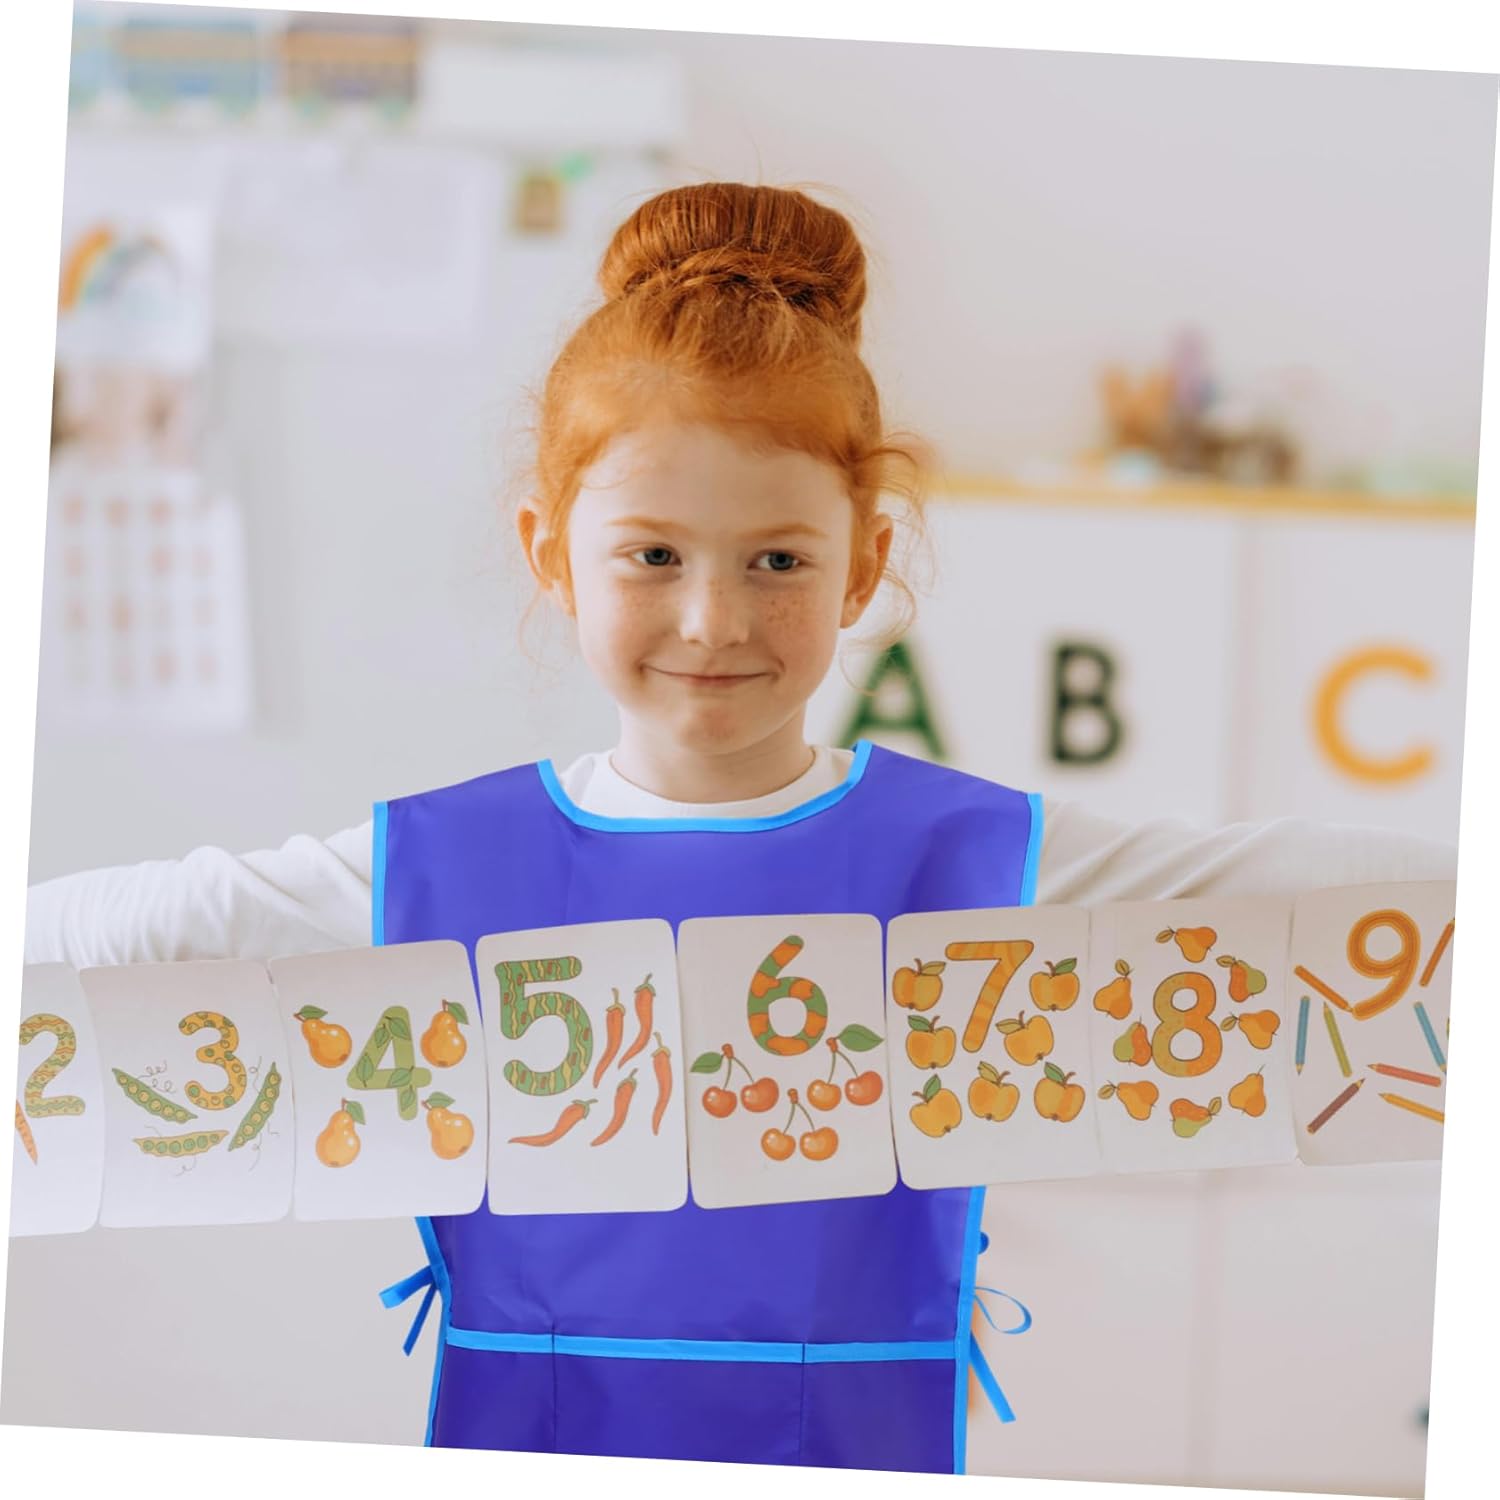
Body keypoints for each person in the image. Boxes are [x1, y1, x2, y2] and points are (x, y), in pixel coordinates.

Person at [25, 183, 1456, 1472]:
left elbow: (1305, 896)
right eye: (652, 554)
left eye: (777, 559)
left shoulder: (977, 857)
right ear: (550, 554)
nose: (713, 618)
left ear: (863, 569)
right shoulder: (437, 864)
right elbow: (155, 924)